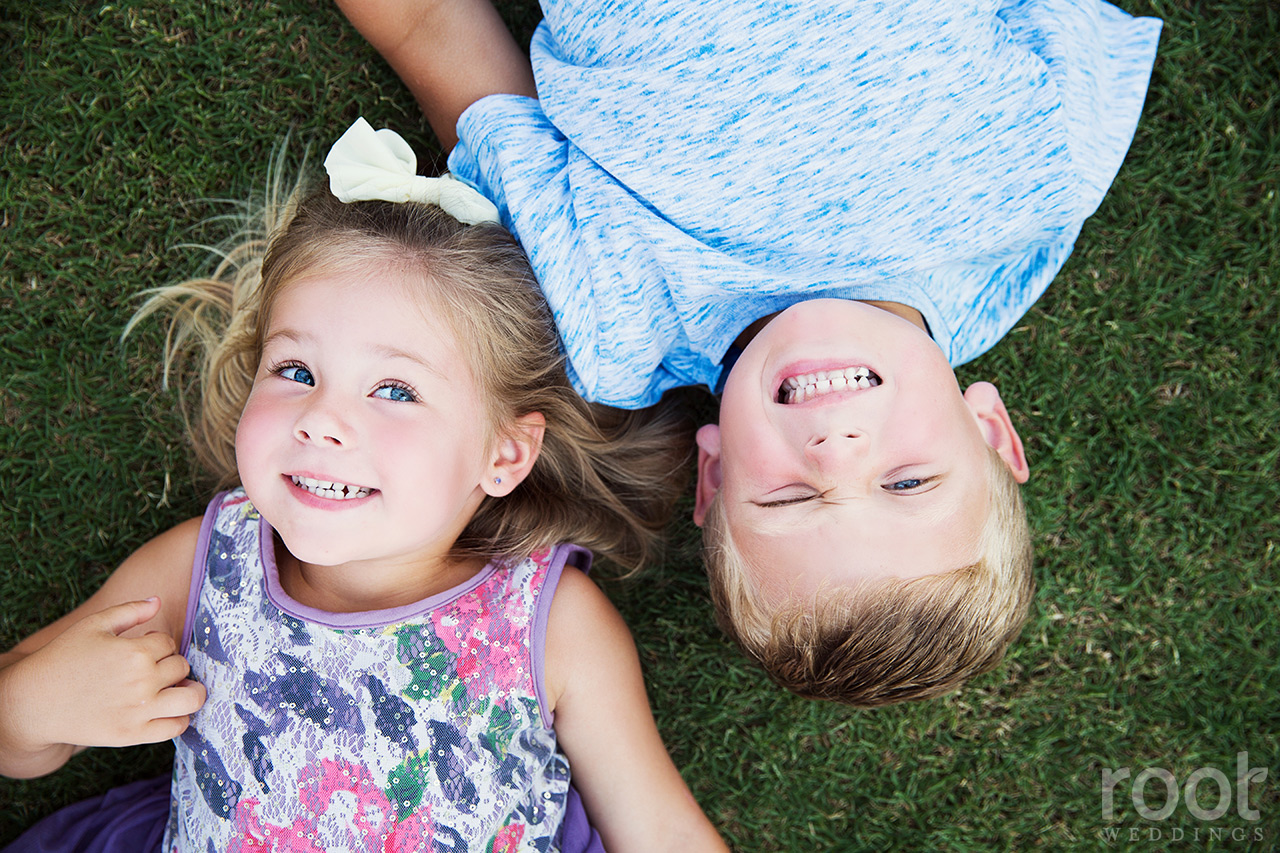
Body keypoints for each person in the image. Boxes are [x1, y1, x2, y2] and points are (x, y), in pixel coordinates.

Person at [334, 0, 1162, 706]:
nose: (838, 451)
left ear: (716, 476)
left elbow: (434, 32)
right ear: (991, 433)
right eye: (906, 481)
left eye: (793, 497)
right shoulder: (1036, 187)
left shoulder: (615, 319)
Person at [0, 120, 727, 853]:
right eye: (295, 371)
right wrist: (33, 709)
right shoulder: (205, 567)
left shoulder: (553, 626)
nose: (322, 419)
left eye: (394, 389)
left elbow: (659, 829)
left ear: (503, 453)